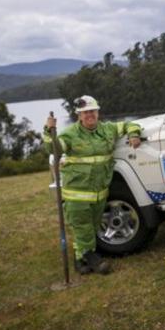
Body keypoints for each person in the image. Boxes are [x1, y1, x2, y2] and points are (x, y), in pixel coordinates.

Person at [44, 95, 141, 275]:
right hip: (77, 193)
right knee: (83, 228)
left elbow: (129, 125)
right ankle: (94, 260)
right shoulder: (70, 134)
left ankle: (80, 260)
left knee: (93, 227)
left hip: (99, 193)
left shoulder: (108, 129)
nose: (90, 115)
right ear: (79, 116)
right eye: (85, 112)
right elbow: (55, 149)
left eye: (92, 111)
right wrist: (49, 132)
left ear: (98, 112)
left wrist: (134, 134)